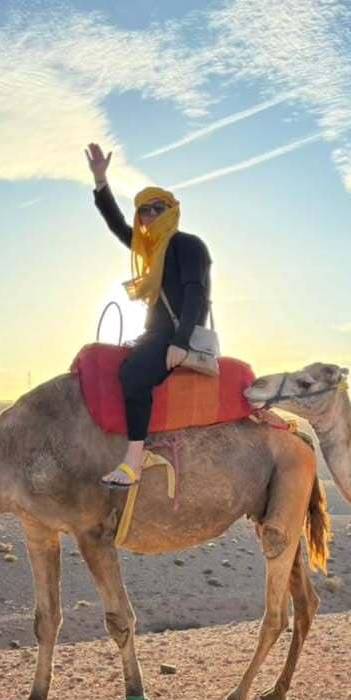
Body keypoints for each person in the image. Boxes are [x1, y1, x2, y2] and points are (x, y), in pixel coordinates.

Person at [85, 143, 211, 487]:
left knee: (134, 376)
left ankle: (133, 463)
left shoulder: (188, 245)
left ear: (171, 210)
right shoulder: (151, 252)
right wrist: (100, 181)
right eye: (143, 211)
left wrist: (180, 341)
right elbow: (116, 225)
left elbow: (195, 294)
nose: (149, 216)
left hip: (175, 334)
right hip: (153, 333)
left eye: (157, 208)